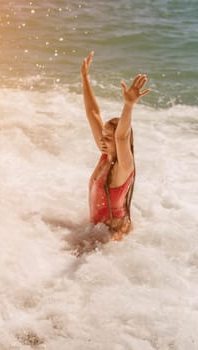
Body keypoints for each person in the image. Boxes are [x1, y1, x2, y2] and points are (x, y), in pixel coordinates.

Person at [81, 51, 150, 241]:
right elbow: (92, 112)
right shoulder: (106, 154)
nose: (103, 140)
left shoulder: (124, 167)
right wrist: (85, 78)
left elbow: (121, 137)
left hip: (113, 237)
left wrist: (128, 105)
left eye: (108, 138)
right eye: (103, 136)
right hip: (98, 231)